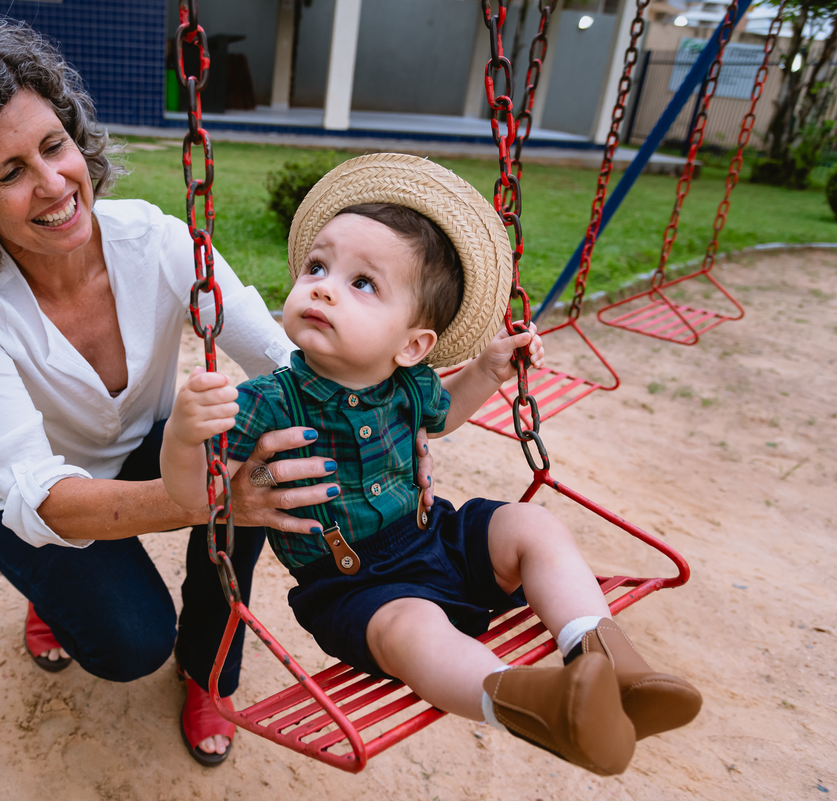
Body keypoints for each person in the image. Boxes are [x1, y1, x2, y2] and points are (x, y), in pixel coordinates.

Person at [0, 14, 436, 767]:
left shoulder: (157, 240)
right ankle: (56, 594)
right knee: (130, 643)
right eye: (9, 173)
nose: (53, 184)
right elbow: (32, 486)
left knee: (255, 451)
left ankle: (210, 672)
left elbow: (279, 355)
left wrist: (384, 401)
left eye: (54, 146)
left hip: (150, 444)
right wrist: (208, 500)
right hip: (41, 501)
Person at [160, 154, 703, 776]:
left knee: (531, 525)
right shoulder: (263, 402)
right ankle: (540, 708)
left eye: (363, 283)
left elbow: (443, 418)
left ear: (412, 345)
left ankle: (606, 660)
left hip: (438, 537)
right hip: (356, 586)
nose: (323, 287)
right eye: (317, 267)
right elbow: (196, 498)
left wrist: (488, 371)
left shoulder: (411, 384)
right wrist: (183, 438)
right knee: (412, 631)